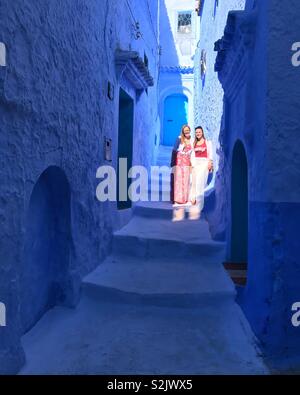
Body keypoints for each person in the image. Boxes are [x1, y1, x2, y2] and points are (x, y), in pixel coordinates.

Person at [190, 126, 213, 216]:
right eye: (196, 132)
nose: (198, 133)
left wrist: (210, 162)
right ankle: (194, 201)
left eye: (199, 132)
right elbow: (192, 155)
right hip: (196, 163)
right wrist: (192, 165)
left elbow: (210, 153)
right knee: (194, 183)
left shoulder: (208, 143)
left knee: (201, 183)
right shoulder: (194, 143)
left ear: (202, 132)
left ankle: (200, 206)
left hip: (204, 164)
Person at [172, 124, 193, 205]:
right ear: (183, 131)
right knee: (179, 179)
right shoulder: (179, 138)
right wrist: (172, 161)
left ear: (190, 130)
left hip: (187, 161)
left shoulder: (192, 139)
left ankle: (185, 198)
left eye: (188, 130)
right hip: (179, 160)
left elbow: (192, 152)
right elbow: (174, 150)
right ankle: (177, 199)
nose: (186, 132)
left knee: (186, 179)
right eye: (185, 131)